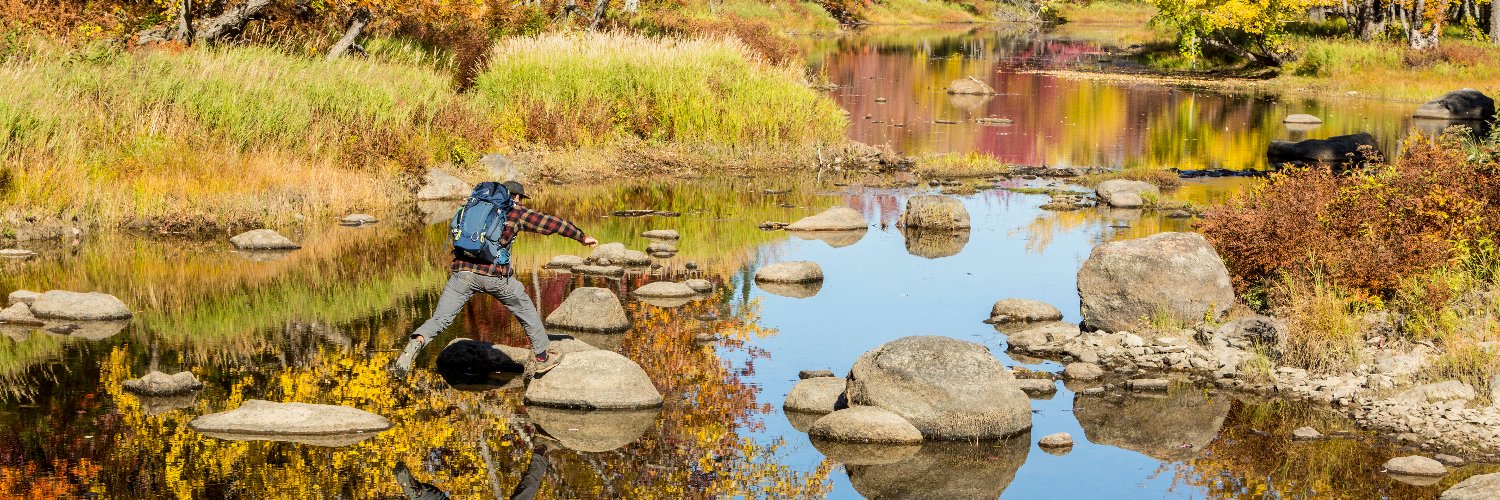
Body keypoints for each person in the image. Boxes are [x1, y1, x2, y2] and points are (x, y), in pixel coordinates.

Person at [394, 180, 598, 377]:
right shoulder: (515, 211)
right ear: (516, 196)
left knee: (440, 319)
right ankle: (542, 357)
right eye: (521, 198)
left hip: (462, 274)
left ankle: (418, 340)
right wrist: (581, 237)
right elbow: (551, 223)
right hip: (495, 275)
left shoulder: (471, 207)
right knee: (525, 308)